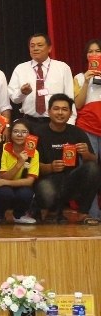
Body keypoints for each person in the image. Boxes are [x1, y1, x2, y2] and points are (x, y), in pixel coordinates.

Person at [33, 94, 101, 224]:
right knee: (46, 189)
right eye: (56, 108)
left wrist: (86, 154)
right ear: (49, 111)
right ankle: (51, 211)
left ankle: (83, 213)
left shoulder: (77, 132)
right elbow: (31, 166)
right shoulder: (38, 133)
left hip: (71, 181)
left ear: (70, 113)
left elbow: (92, 161)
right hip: (47, 180)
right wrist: (50, 167)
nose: (60, 112)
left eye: (64, 109)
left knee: (93, 168)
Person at [8, 33, 75, 129]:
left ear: (49, 48)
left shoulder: (62, 68)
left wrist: (70, 123)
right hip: (29, 122)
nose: (35, 48)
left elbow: (70, 98)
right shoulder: (20, 68)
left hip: (56, 122)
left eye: (40, 45)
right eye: (32, 46)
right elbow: (14, 99)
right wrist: (22, 93)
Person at [73, 38, 101, 219]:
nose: (93, 54)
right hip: (87, 127)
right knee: (90, 169)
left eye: (97, 51)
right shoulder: (80, 77)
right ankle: (92, 214)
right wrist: (86, 81)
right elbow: (78, 103)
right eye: (90, 51)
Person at [0, 119, 39, 224]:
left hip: (16, 184)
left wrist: (5, 182)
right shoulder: (3, 149)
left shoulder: (34, 153)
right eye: (15, 131)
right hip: (1, 186)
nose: (19, 135)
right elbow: (3, 176)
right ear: (10, 133)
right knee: (5, 192)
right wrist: (20, 163)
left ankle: (19, 215)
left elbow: (29, 181)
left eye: (24, 132)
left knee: (26, 193)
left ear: (30, 134)